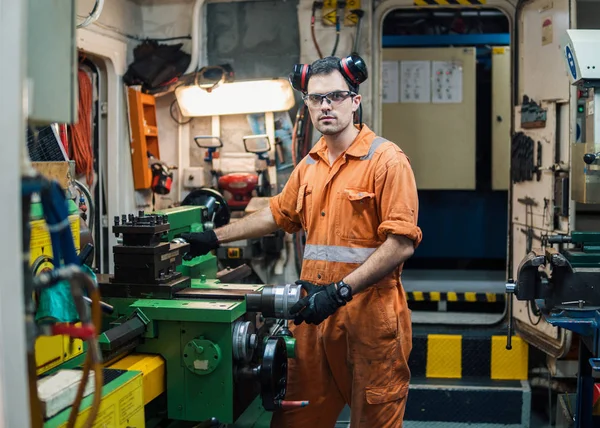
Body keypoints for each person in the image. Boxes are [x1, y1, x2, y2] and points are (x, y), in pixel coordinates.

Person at [181, 54, 422, 428]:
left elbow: (400, 243)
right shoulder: (309, 165)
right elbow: (277, 214)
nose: (326, 105)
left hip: (370, 322)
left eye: (336, 96)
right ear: (307, 104)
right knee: (296, 420)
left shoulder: (386, 161)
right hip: (312, 319)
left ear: (355, 101)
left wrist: (340, 291)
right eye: (316, 98)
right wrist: (213, 236)